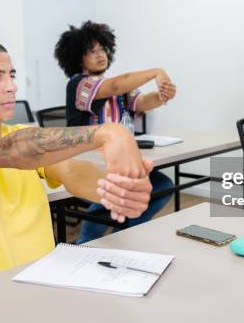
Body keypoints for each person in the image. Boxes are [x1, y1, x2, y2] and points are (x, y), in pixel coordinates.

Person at [0, 37, 153, 291]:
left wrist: (120, 185)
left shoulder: (23, 135)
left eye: (11, 76)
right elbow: (14, 150)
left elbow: (71, 171)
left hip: (44, 283)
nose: (11, 87)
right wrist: (107, 132)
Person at [54, 21, 177, 244]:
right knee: (114, 191)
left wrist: (162, 94)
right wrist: (156, 72)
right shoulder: (79, 84)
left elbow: (141, 102)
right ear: (77, 58)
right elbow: (113, 87)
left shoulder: (117, 86)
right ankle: (85, 242)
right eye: (92, 51)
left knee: (162, 186)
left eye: (102, 49)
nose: (100, 55)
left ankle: (124, 233)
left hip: (115, 160)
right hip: (87, 159)